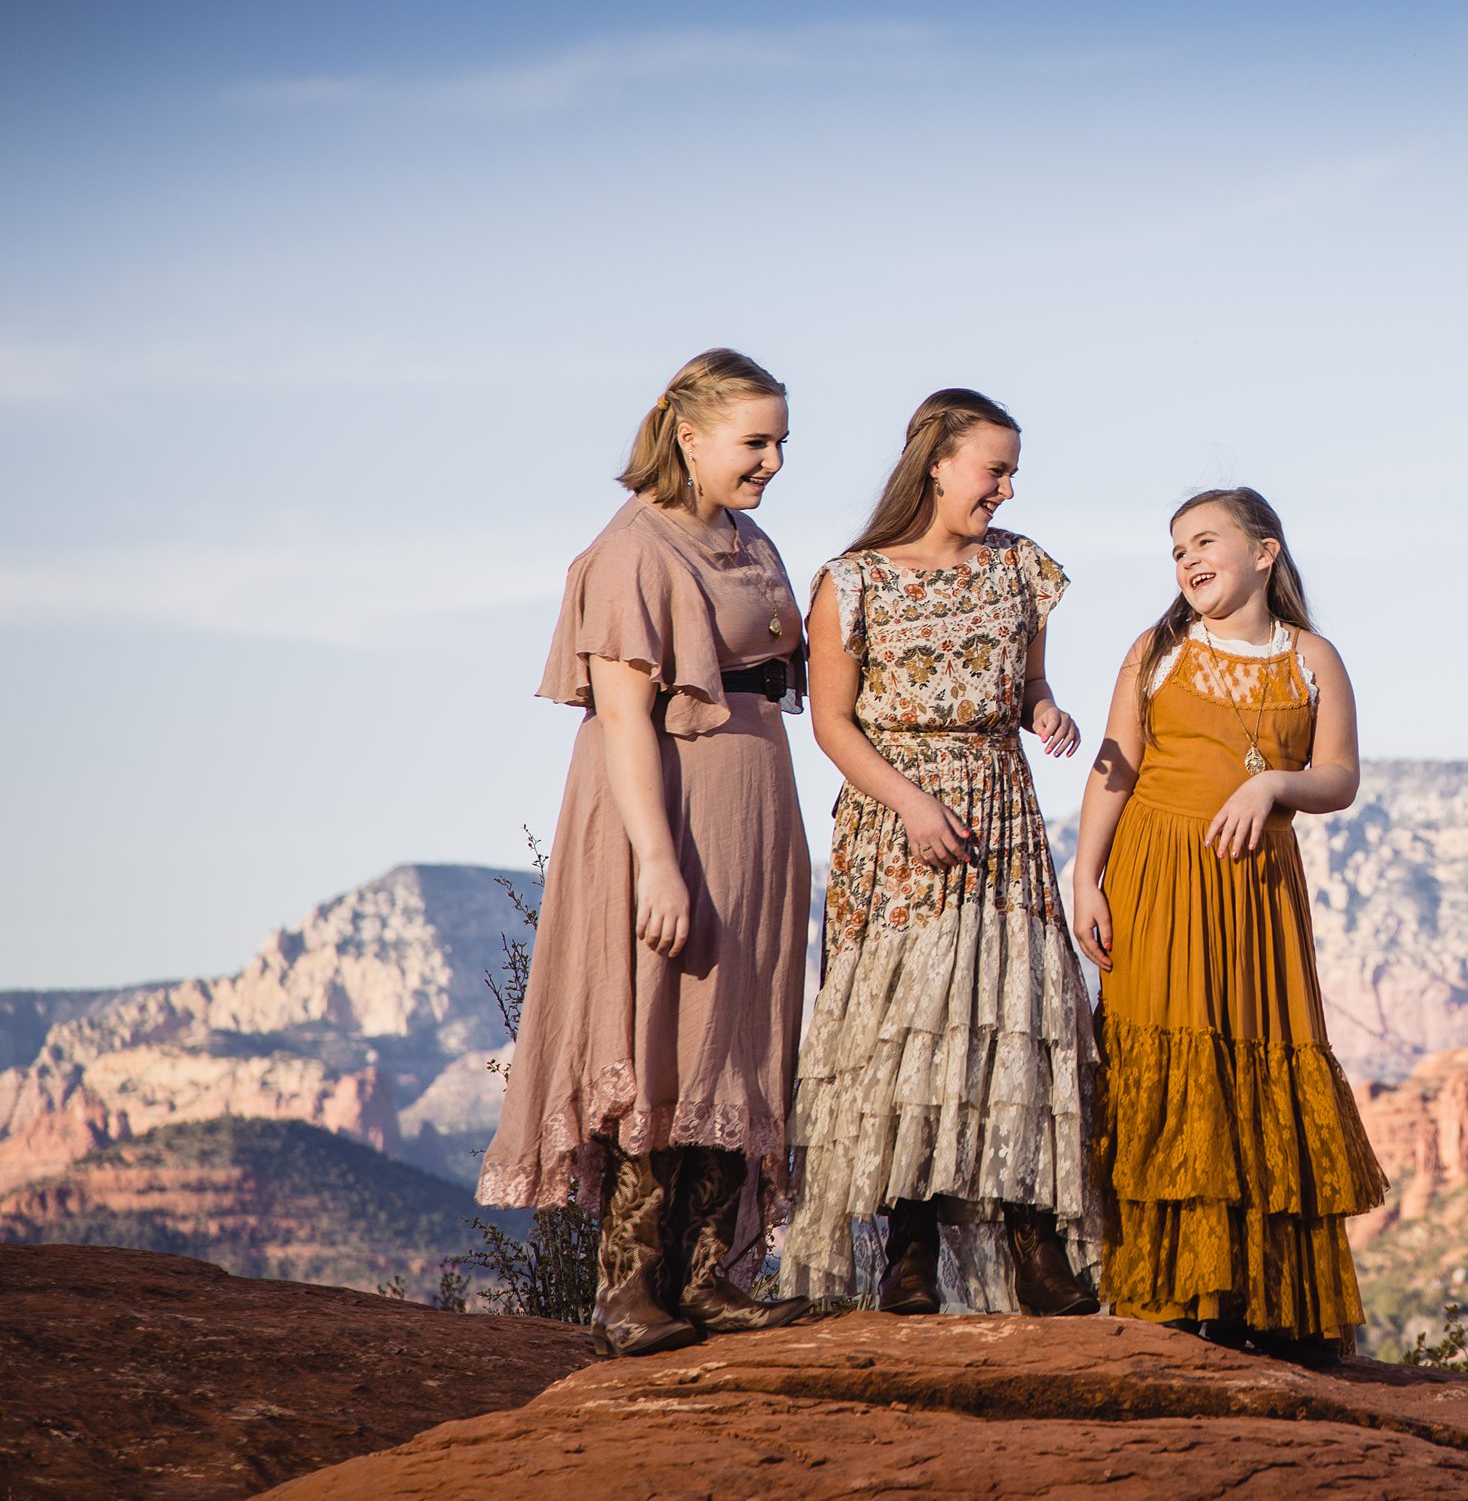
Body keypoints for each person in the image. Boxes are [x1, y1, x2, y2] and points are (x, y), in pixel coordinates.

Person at [478, 348, 815, 1356]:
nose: (772, 462)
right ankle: (630, 1291)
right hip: (665, 805)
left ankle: (713, 1276)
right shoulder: (634, 549)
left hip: (756, 801)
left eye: (781, 443)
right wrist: (658, 862)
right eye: (756, 442)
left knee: (736, 1026)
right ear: (690, 434)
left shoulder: (748, 538)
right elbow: (626, 718)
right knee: (658, 1023)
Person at [781, 389, 1104, 1314]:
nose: (1005, 489)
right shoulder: (853, 582)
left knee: (1010, 1021)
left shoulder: (1024, 570)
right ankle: (908, 1254)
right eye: (992, 469)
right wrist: (914, 803)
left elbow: (1031, 680)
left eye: (1010, 472)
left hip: (1002, 815)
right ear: (937, 463)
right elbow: (834, 726)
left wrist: (1044, 710)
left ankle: (1036, 1244)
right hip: (898, 826)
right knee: (911, 1033)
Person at [1071, 486, 1387, 1366]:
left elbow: (1340, 778)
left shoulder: (1312, 657)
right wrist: (1086, 877)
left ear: (1265, 553)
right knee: (1167, 1070)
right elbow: (1116, 766)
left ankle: (1271, 1308)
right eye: (1176, 551)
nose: (1186, 563)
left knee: (1260, 1063)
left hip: (1257, 899)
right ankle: (1169, 1299)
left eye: (1203, 542)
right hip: (1157, 881)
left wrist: (1270, 785)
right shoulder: (1159, 649)